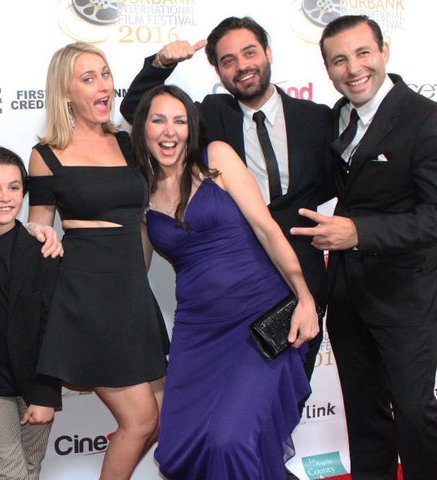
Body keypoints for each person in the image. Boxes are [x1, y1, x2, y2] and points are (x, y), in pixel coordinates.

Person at [120, 16, 331, 392]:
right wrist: (161, 64)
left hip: (297, 283)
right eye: (228, 60)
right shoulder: (212, 116)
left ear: (267, 53)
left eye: (249, 52)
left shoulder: (317, 119)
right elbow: (140, 113)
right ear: (217, 69)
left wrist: (356, 229)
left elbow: (351, 180)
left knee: (281, 406)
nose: (242, 65)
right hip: (224, 295)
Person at [131, 84, 319, 479]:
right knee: (188, 442)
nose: (169, 132)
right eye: (158, 120)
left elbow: (267, 229)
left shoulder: (215, 159)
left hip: (261, 321)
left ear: (191, 126)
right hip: (198, 335)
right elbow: (132, 273)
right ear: (142, 128)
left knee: (229, 440)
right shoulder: (140, 197)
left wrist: (304, 297)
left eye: (179, 121)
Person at [291, 15, 437, 479]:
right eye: (339, 60)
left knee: (415, 414)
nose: (353, 68)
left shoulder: (425, 120)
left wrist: (359, 233)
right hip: (348, 294)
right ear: (328, 69)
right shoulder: (336, 116)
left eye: (362, 54)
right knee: (364, 417)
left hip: (406, 296)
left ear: (384, 52)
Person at [27, 42, 169, 480]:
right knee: (141, 420)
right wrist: (40, 233)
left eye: (105, 74)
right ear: (65, 93)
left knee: (160, 419)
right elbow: (37, 227)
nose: (102, 85)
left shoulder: (128, 144)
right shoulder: (46, 153)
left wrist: (162, 63)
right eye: (88, 78)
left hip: (132, 294)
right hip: (87, 299)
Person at [0, 146, 61, 480]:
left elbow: (53, 329)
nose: (5, 198)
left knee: (30, 469)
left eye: (14, 187)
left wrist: (46, 395)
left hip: (35, 383)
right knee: (11, 474)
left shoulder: (43, 250)